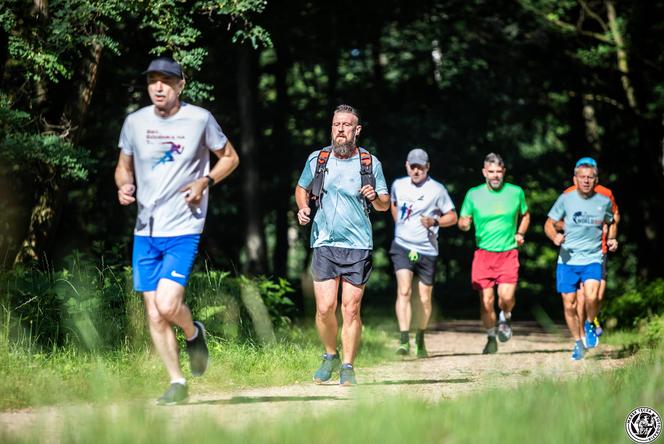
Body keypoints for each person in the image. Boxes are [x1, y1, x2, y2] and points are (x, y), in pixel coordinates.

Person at [115, 56, 239, 404]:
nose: (158, 87)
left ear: (180, 85)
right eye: (153, 80)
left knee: (169, 304)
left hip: (184, 225)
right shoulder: (135, 123)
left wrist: (205, 180)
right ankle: (177, 382)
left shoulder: (199, 119)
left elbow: (230, 157)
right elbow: (122, 168)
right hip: (145, 230)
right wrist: (124, 186)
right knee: (154, 313)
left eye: (166, 81)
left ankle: (192, 330)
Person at [295, 104, 389, 386]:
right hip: (324, 242)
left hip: (358, 245)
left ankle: (348, 365)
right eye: (336, 124)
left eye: (347, 125)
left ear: (356, 130)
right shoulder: (318, 159)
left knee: (350, 308)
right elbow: (302, 188)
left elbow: (385, 205)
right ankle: (329, 355)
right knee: (324, 308)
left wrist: (374, 196)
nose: (340, 129)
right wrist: (302, 208)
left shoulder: (370, 164)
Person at [544, 157, 617, 361]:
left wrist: (611, 239)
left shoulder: (604, 201)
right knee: (569, 304)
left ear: (596, 180)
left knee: (592, 296)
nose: (586, 181)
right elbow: (548, 224)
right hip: (567, 260)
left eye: (590, 177)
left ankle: (590, 322)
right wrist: (554, 236)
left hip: (592, 257)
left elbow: (612, 222)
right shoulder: (565, 199)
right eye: (582, 177)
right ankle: (578, 342)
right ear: (575, 179)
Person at [458, 153, 530, 354]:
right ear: (484, 173)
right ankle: (491, 336)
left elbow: (526, 215)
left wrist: (520, 233)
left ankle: (505, 316)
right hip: (484, 255)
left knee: (505, 298)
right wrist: (464, 224)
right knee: (486, 301)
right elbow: (463, 220)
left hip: (508, 252)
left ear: (504, 172)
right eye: (491, 172)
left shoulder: (515, 193)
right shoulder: (473, 194)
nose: (495, 175)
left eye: (499, 172)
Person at [390, 148, 457, 358]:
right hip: (402, 245)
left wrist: (435, 221)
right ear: (407, 166)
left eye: (420, 167)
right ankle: (403, 340)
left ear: (427, 167)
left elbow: (453, 217)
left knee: (425, 299)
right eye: (413, 166)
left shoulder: (437, 190)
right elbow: (393, 205)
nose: (416, 170)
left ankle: (420, 337)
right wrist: (400, 225)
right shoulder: (398, 185)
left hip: (427, 249)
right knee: (404, 291)